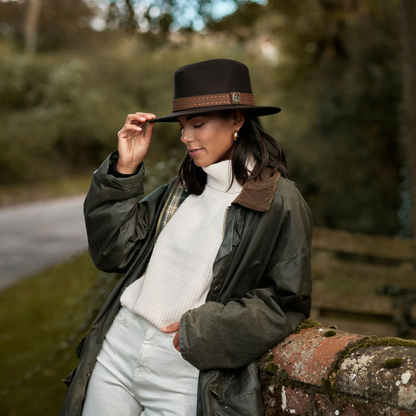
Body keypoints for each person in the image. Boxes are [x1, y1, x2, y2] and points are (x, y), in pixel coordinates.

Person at [60, 58, 313, 416]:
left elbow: (287, 302)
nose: (185, 138)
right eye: (181, 126)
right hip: (118, 350)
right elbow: (113, 253)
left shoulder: (279, 200)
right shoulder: (182, 189)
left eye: (197, 124)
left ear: (237, 120)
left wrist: (205, 328)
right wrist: (124, 169)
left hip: (185, 370)